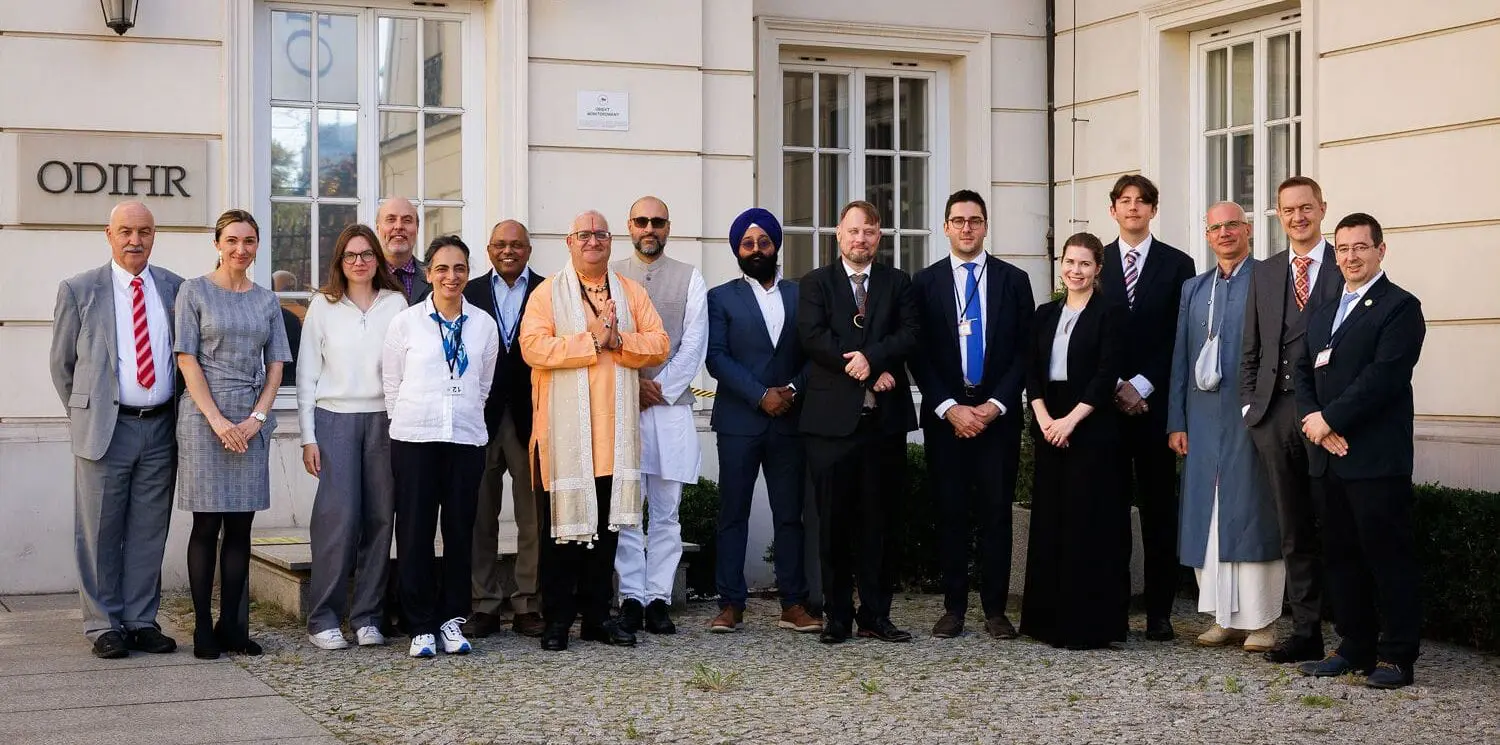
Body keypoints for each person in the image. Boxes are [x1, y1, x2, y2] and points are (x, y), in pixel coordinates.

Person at [519, 210, 670, 652]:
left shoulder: (630, 292)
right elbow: (533, 348)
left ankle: (597, 619)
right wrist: (591, 340)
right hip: (565, 439)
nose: (592, 241)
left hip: (613, 436)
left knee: (605, 537)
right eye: (583, 234)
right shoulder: (547, 293)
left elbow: (659, 342)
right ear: (569, 242)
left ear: (609, 241)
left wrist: (619, 340)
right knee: (560, 536)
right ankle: (558, 621)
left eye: (600, 234)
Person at [1295, 213, 1426, 689]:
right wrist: (1316, 424)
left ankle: (1396, 656)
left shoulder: (1399, 307)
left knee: (1387, 557)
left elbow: (1384, 377)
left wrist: (1330, 419)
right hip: (1329, 456)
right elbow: (1302, 370)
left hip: (1375, 459)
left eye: (1361, 247)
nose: (1351, 256)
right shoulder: (1324, 308)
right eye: (1343, 248)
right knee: (1340, 557)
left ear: (1380, 251)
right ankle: (1353, 647)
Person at [50, 201, 185, 659]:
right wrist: (88, 414)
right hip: (106, 429)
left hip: (161, 427)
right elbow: (62, 366)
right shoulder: (79, 289)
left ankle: (141, 620)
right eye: (125, 231)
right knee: (98, 531)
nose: (135, 240)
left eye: (144, 231)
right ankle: (103, 624)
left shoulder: (174, 288)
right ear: (108, 234)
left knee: (150, 530)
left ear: (154, 235)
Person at [909, 190, 1034, 640]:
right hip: (947, 418)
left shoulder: (1013, 280)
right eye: (958, 220)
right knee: (951, 514)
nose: (967, 228)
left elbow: (1025, 350)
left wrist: (995, 405)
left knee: (996, 514)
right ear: (945, 227)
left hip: (997, 417)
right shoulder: (923, 283)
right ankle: (953, 608)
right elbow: (917, 353)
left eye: (975, 220)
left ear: (985, 226)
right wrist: (949, 408)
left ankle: (996, 610)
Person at [797, 200, 919, 645]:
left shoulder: (898, 282)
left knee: (880, 524)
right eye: (853, 231)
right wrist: (864, 363)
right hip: (830, 426)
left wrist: (876, 357)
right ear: (838, 234)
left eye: (869, 231)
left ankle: (876, 614)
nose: (860, 239)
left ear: (879, 236)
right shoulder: (814, 283)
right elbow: (813, 337)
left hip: (882, 425)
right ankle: (837, 616)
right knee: (833, 524)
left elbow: (910, 333)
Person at [174, 209, 293, 659]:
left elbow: (277, 364)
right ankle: (203, 627)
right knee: (206, 523)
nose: (240, 248)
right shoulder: (194, 291)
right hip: (205, 419)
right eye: (232, 240)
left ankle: (233, 626)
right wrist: (220, 422)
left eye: (248, 240)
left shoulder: (266, 300)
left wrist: (255, 420)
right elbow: (187, 359)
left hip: (250, 418)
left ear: (257, 245)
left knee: (241, 526)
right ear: (218, 244)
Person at [1167, 202, 1282, 652]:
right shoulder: (1194, 289)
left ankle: (1262, 621)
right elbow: (1180, 355)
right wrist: (1176, 420)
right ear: (1208, 236)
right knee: (1209, 517)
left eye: (1232, 225)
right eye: (1216, 227)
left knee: (1254, 513)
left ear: (1248, 229)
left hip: (1253, 417)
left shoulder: (1269, 280)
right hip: (1201, 418)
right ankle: (1222, 617)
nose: (1224, 233)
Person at [382, 236, 501, 658]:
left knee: (458, 532)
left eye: (460, 268)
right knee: (413, 533)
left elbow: (482, 385)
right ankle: (419, 625)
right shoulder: (407, 322)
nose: (452, 277)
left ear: (468, 273)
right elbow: (392, 384)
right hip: (415, 438)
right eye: (443, 269)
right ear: (429, 273)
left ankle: (451, 620)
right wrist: (404, 421)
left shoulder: (484, 325)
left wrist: (463, 412)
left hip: (466, 439)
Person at [1240, 176, 1342, 664]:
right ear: (1277, 215)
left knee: (1339, 521)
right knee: (1293, 527)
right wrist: (1249, 406)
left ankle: (1353, 629)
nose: (1297, 217)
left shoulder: (1344, 265)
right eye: (1288, 210)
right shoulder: (1264, 272)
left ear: (1322, 208)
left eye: (1306, 208)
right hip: (1273, 414)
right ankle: (1306, 632)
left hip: (1328, 416)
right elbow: (1251, 345)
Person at [705, 208, 821, 635]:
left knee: (790, 515)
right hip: (740, 420)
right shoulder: (720, 297)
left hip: (791, 419)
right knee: (732, 512)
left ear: (776, 245)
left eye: (763, 242)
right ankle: (730, 604)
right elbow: (716, 356)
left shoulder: (802, 293)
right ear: (737, 249)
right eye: (747, 244)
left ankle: (793, 602)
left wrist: (790, 391)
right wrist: (759, 395)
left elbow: (816, 352)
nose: (756, 250)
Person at [298, 224, 408, 651]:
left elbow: (405, 368)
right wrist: (308, 437)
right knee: (337, 519)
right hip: (334, 420)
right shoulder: (323, 306)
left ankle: (367, 616)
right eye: (350, 255)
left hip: (385, 419)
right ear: (339, 262)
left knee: (381, 519)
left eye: (366, 254)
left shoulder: (397, 303)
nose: (359, 262)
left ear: (378, 259)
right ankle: (323, 617)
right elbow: (307, 376)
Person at [1020, 233, 1130, 650]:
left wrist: (1071, 421)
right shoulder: (1045, 313)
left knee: (1088, 524)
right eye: (1069, 262)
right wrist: (1046, 418)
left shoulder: (1110, 313)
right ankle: (1046, 622)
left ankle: (1088, 626)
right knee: (1051, 520)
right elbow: (1032, 370)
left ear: (1098, 268)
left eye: (1084, 263)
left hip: (1091, 425)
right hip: (1050, 422)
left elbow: (1106, 375)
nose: (1075, 271)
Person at [1098, 175, 1196, 640]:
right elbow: (1088, 331)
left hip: (1156, 408)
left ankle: (1160, 612)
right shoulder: (1094, 261)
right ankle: (1113, 609)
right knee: (1111, 511)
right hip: (1107, 407)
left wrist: (1142, 384)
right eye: (1125, 201)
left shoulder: (1180, 265)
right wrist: (1117, 383)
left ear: (1154, 210)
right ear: (1113, 210)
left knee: (1160, 512)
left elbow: (1181, 335)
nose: (1133, 208)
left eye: (1142, 202)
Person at [611, 196, 709, 635]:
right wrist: (634, 387)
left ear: (669, 227)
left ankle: (658, 598)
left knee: (667, 509)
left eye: (658, 222)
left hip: (670, 409)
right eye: (641, 221)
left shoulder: (691, 277)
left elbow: (694, 343)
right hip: (622, 404)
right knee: (628, 506)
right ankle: (631, 595)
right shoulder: (609, 275)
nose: (649, 228)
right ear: (629, 226)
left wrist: (660, 389)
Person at [462, 220, 546, 639]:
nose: (508, 251)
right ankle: (484, 605)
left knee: (532, 515)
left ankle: (529, 604)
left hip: (533, 417)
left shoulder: (549, 292)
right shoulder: (469, 292)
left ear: (529, 249)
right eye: (500, 244)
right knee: (481, 514)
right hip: (480, 417)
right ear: (489, 249)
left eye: (516, 244)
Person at [377, 197, 430, 304]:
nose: (399, 226)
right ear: (378, 229)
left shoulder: (434, 278)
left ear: (417, 229)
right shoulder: (365, 279)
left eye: (407, 220)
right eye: (391, 220)